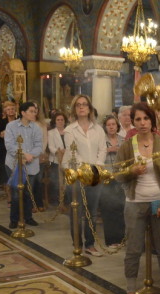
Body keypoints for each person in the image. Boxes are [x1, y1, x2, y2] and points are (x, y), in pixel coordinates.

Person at [115, 103, 160, 294]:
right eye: (138, 119)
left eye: (146, 118)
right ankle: (131, 292)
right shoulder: (127, 146)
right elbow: (118, 176)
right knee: (133, 249)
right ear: (133, 122)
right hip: (135, 202)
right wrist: (131, 171)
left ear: (152, 120)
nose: (142, 123)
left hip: (159, 200)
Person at [61, 94, 106, 257]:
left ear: (89, 108)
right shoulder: (70, 130)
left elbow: (102, 149)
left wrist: (96, 167)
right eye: (78, 104)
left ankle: (90, 244)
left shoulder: (98, 129)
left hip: (95, 174)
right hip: (77, 174)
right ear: (74, 109)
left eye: (84, 104)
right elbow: (72, 152)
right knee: (77, 212)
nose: (81, 107)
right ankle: (77, 244)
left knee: (91, 212)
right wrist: (85, 169)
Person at [4, 102, 43, 228]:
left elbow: (39, 145)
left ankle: (28, 217)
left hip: (31, 164)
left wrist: (30, 155)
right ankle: (14, 219)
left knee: (28, 192)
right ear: (23, 112)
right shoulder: (11, 126)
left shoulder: (36, 128)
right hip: (14, 164)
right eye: (31, 111)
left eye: (35, 111)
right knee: (16, 193)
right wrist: (23, 155)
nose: (34, 113)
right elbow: (9, 145)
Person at [99, 115, 126, 247]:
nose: (111, 127)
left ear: (117, 126)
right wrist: (108, 150)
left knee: (121, 208)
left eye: (113, 124)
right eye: (108, 125)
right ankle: (111, 240)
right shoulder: (101, 140)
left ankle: (122, 238)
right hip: (106, 178)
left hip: (121, 177)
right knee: (108, 209)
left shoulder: (123, 140)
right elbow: (97, 157)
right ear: (105, 127)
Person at [0, 101, 17, 204]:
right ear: (5, 111)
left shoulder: (19, 121)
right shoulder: (1, 122)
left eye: (12, 109)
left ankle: (17, 196)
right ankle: (9, 197)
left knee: (16, 173)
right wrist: (0, 134)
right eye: (8, 109)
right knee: (6, 174)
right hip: (4, 151)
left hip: (17, 150)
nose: (10, 111)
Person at [46, 112, 68, 207]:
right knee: (55, 181)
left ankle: (65, 200)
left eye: (62, 120)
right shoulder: (51, 133)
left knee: (67, 181)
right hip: (55, 160)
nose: (60, 121)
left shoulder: (69, 131)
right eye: (58, 120)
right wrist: (58, 152)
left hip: (67, 159)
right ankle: (55, 200)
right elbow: (51, 147)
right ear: (55, 121)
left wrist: (66, 151)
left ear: (65, 121)